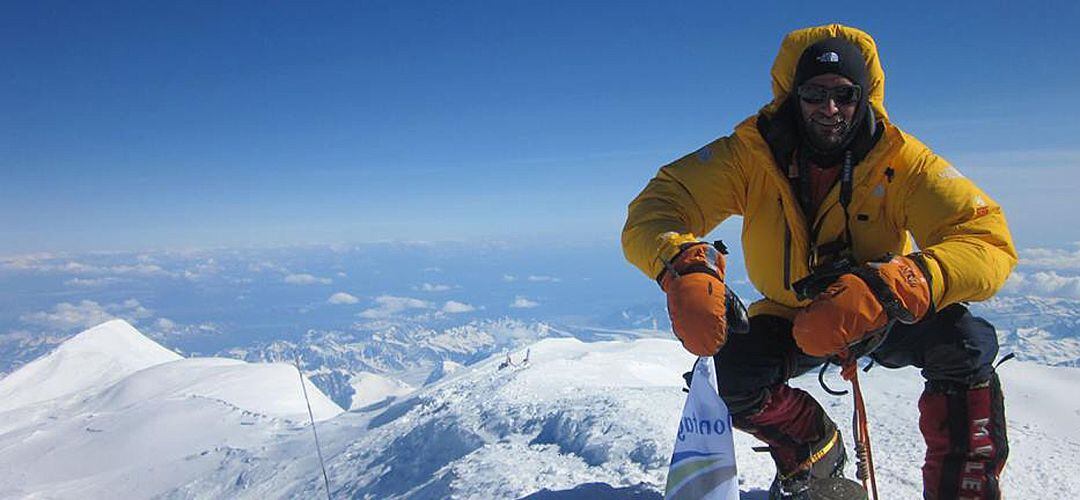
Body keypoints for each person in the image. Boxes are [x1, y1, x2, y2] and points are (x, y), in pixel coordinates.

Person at [622, 24, 1015, 499]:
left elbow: (984, 239)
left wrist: (898, 283)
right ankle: (811, 452)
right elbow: (660, 205)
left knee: (965, 344)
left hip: (880, 305)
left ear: (863, 96)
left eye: (845, 95)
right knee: (730, 380)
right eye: (814, 94)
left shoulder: (903, 161)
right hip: (793, 313)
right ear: (794, 96)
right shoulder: (750, 156)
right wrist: (681, 263)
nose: (831, 109)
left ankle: (963, 489)